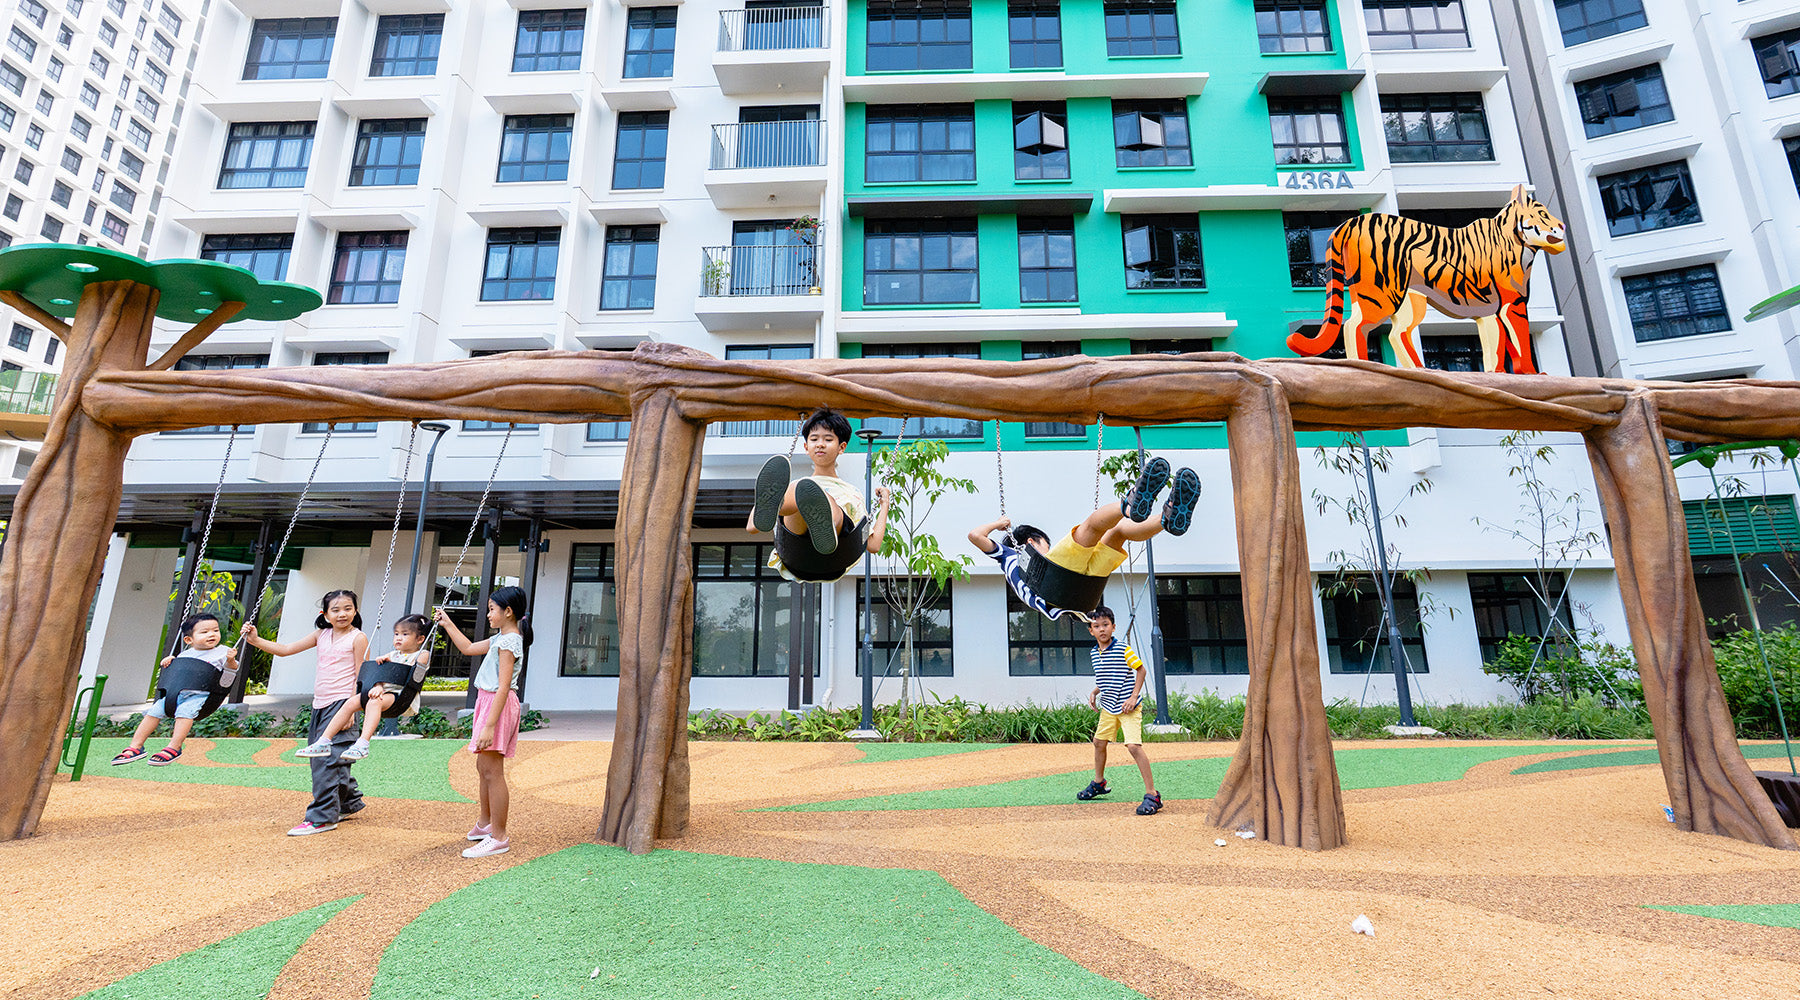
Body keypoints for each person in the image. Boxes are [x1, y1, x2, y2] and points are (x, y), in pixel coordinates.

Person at [967, 457, 1201, 622]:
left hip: (1083, 596)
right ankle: (1129, 505)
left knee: (1116, 533)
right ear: (1031, 542)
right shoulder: (1010, 554)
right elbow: (975, 535)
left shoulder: (1011, 565)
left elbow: (975, 536)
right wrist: (1000, 524)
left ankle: (1166, 519)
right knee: (1090, 527)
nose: (1049, 550)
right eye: (1046, 545)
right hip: (1051, 587)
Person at [242, 590, 369, 837]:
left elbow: (360, 675)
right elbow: (287, 649)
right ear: (325, 614)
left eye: (347, 608)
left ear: (355, 611)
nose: (342, 614)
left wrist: (354, 707)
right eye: (336, 609)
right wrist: (256, 640)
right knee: (335, 757)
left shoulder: (358, 637)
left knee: (324, 760)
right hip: (320, 704)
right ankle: (346, 803)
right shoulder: (322, 634)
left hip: (342, 705)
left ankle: (322, 817)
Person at [434, 585, 531, 859]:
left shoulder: (510, 641)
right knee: (483, 766)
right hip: (488, 702)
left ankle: (499, 836)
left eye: (491, 609)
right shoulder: (501, 638)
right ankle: (486, 823)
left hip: (497, 705)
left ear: (508, 611)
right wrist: (448, 622)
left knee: (493, 771)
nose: (488, 614)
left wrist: (489, 725)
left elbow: (504, 687)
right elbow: (466, 648)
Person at [747, 407, 893, 583]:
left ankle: (826, 524)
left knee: (818, 497)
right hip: (798, 553)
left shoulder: (851, 493)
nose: (820, 444)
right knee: (800, 490)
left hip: (835, 556)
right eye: (814, 439)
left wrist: (885, 504)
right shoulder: (794, 488)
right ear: (806, 447)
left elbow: (873, 545)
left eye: (828, 439)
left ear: (842, 447)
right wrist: (768, 501)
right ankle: (777, 505)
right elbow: (753, 527)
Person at [294, 613, 431, 762]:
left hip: (401, 696)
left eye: (405, 634)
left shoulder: (422, 654)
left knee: (374, 702)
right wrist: (378, 684)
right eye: (396, 634)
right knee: (351, 702)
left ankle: (363, 743)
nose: (398, 638)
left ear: (420, 639)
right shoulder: (391, 655)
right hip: (384, 693)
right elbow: (380, 677)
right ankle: (324, 741)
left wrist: (388, 666)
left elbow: (409, 673)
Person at [111, 612, 237, 767]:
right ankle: (135, 747)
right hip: (176, 694)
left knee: (184, 713)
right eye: (204, 632)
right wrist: (171, 661)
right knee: (153, 712)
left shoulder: (223, 651)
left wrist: (230, 660)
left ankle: (174, 747)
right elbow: (180, 672)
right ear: (189, 639)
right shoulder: (186, 654)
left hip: (201, 695)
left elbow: (232, 670)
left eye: (215, 630)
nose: (212, 634)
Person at [1075, 606, 1162, 816]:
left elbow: (1141, 670)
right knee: (1098, 742)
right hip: (1109, 707)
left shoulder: (1123, 649)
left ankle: (1153, 795)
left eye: (1105, 625)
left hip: (1127, 707)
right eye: (1096, 626)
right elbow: (1108, 676)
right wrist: (1095, 691)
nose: (1102, 629)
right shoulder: (1094, 653)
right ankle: (1099, 783)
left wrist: (1133, 697)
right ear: (1091, 631)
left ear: (1113, 627)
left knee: (1133, 746)